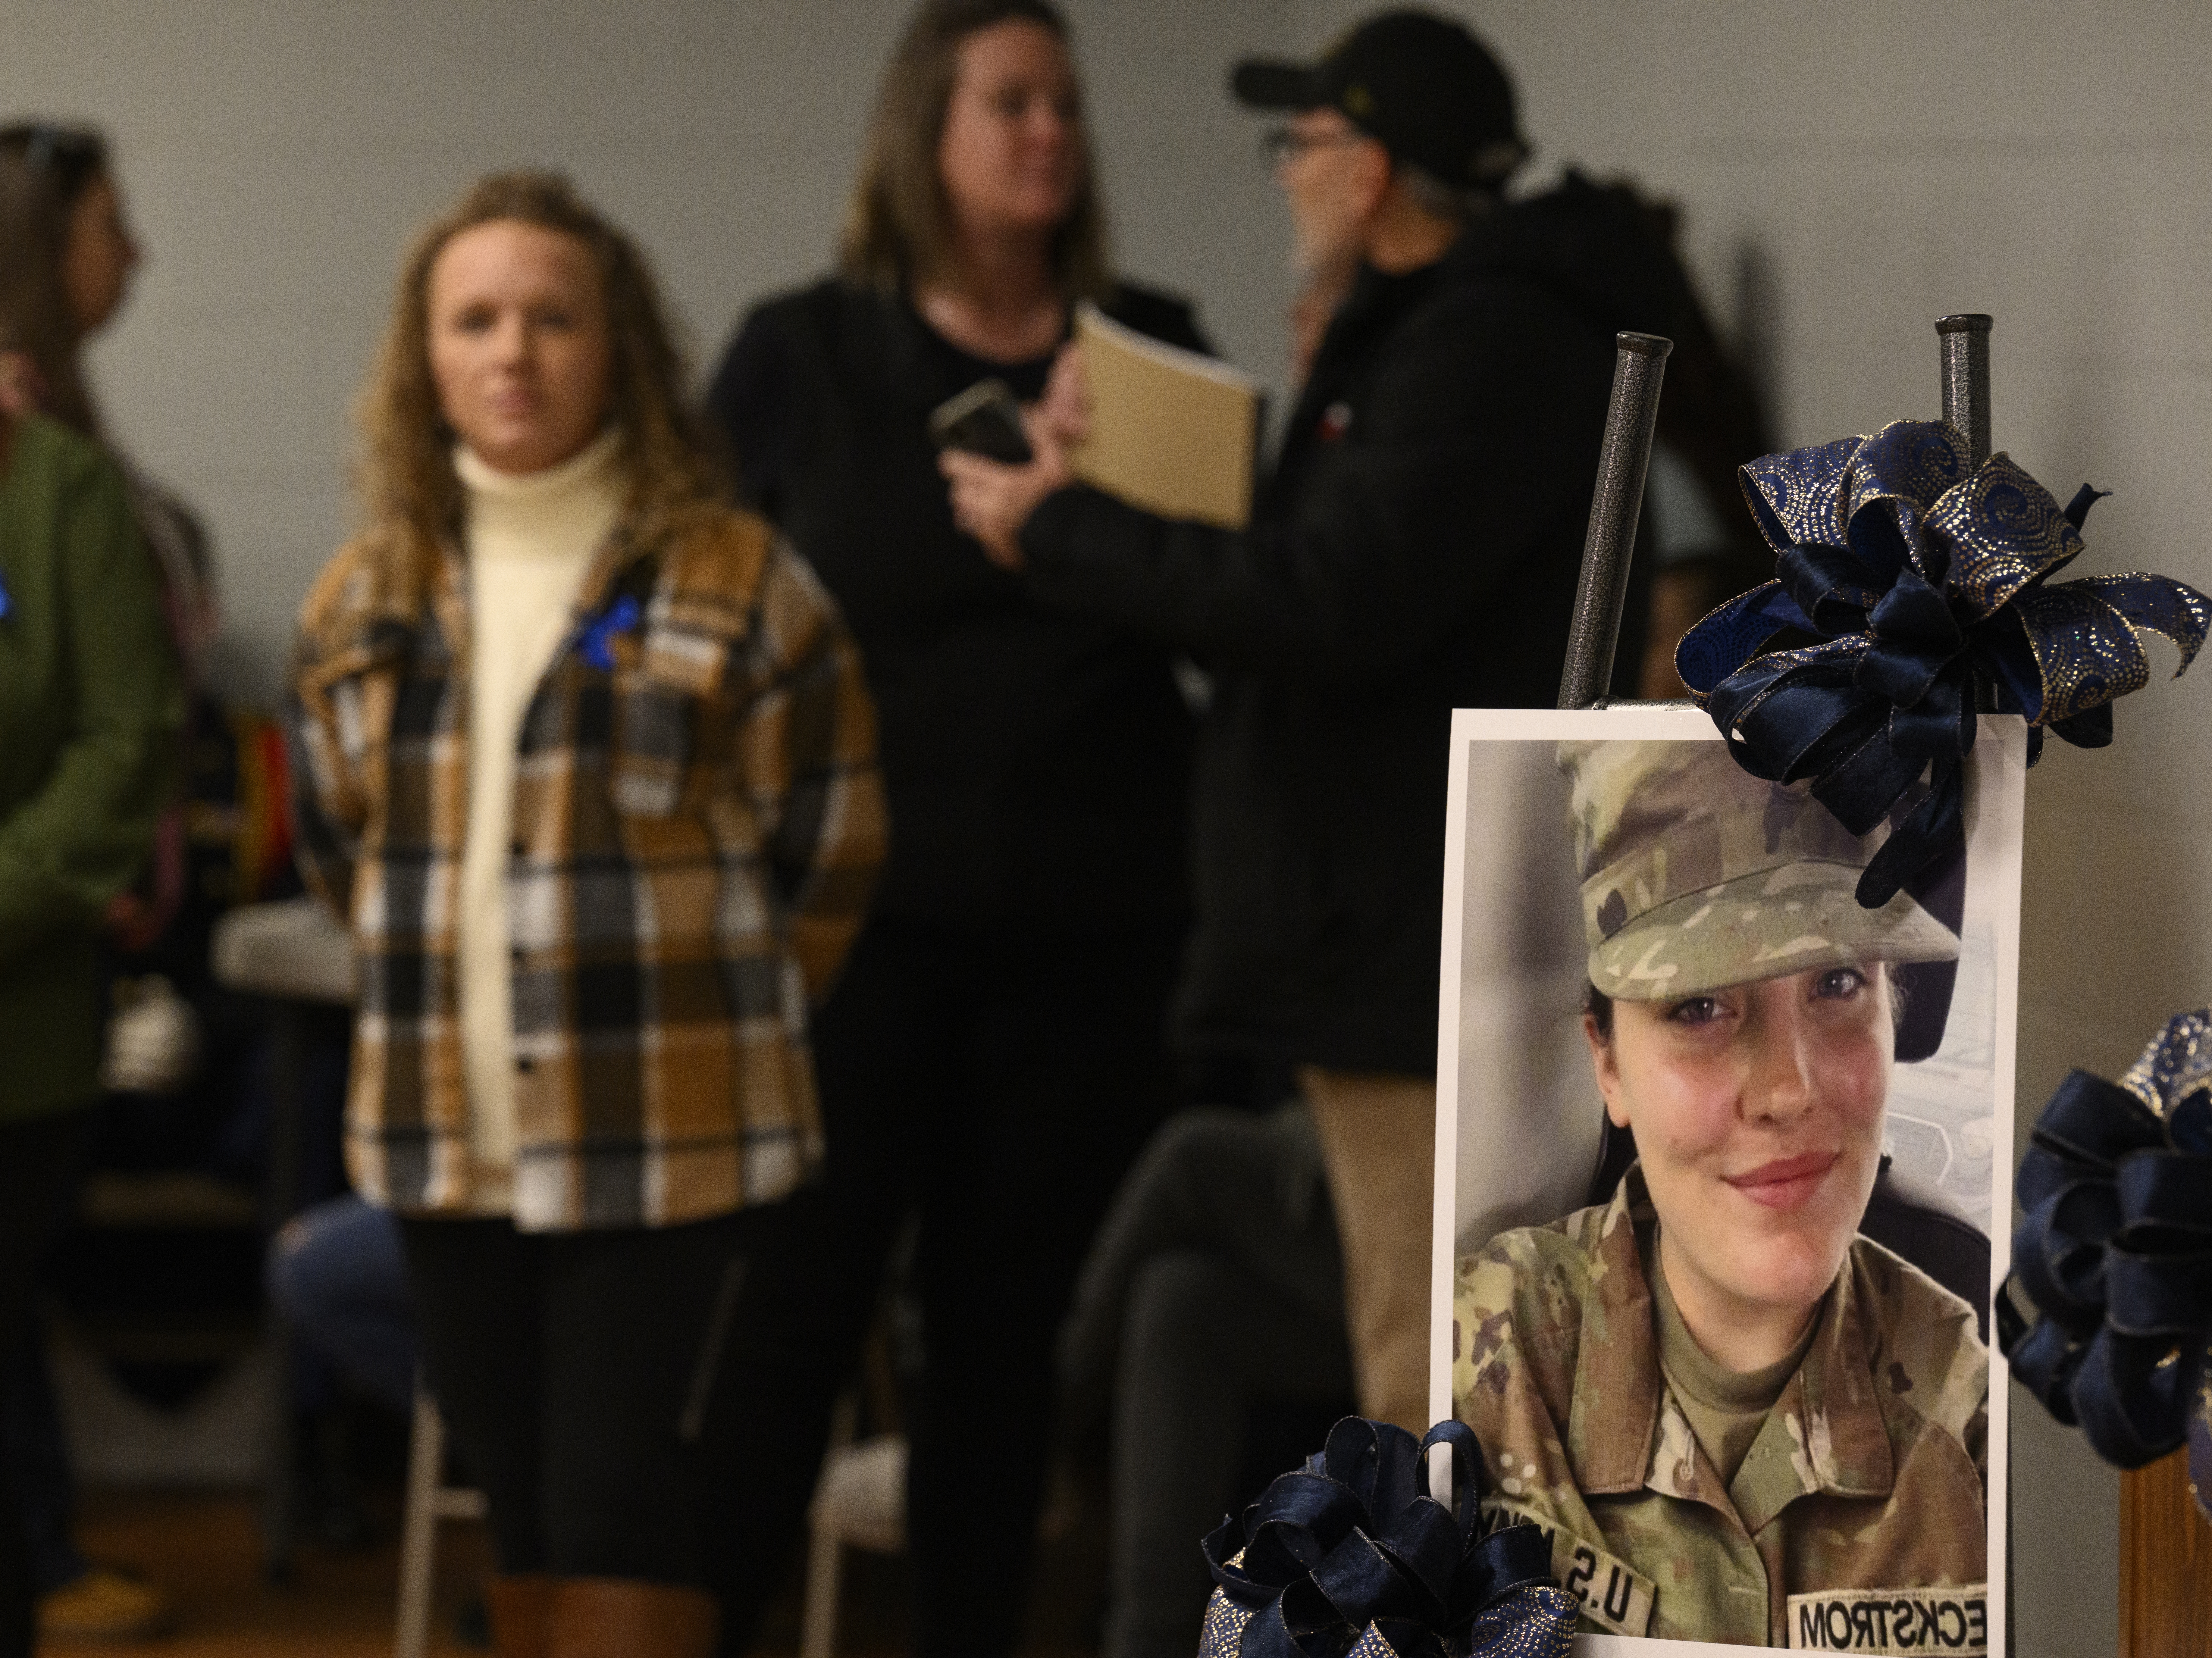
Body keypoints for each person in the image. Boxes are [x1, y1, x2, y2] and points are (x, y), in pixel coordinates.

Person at [941, 9, 1671, 1438]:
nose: (1286, 175)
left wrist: (1064, 529)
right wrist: (1105, 484)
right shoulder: (1430, 334)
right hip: (1374, 948)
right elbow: (1318, 602)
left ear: (1372, 172)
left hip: (1410, 954)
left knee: (1427, 1374)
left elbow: (1333, 604)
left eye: (1306, 145)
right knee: (1363, 1329)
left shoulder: (1483, 342)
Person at [286, 170, 883, 1658]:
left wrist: (714, 1010)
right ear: (423, 358)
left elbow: (836, 842)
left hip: (669, 1140)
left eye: (554, 317)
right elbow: (333, 850)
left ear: (619, 343)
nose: (514, 352)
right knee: (527, 1512)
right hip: (447, 1141)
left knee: (628, 1513)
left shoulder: (740, 578)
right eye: (475, 319)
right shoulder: (361, 596)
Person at [696, 5, 1208, 1651]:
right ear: (928, 128)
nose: (1049, 132)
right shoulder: (807, 351)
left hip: (1086, 941)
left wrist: (1094, 514)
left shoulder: (1145, 347)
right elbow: (700, 609)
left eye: (1064, 103)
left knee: (999, 1354)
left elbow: (1237, 615)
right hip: (852, 939)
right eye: (1010, 101)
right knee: (791, 1321)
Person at [1451, 740, 1989, 1647]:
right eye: (1701, 1005)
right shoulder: (1483, 1356)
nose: (1790, 1089)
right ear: (1607, 1064)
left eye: (1839, 981)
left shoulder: (1979, 1406)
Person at [0, 117, 217, 1645]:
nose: (129, 256)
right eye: (104, 226)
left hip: (40, 979)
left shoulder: (58, 473)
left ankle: (36, 1560)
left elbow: (126, 719)